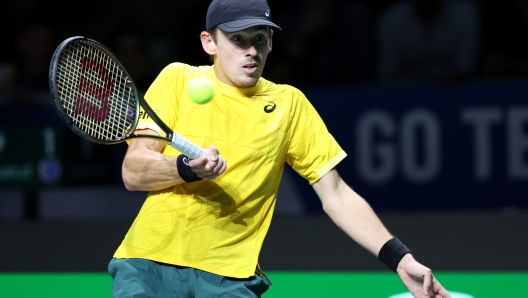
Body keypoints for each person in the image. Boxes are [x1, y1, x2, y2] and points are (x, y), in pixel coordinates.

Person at [108, 0, 452, 297]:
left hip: (230, 277)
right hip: (149, 262)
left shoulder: (289, 105)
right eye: (237, 39)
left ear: (271, 42)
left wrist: (401, 259)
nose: (250, 51)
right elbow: (134, 170)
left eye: (259, 39)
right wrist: (184, 169)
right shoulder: (177, 79)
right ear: (208, 42)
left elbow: (337, 196)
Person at [377, 0, 480, 84]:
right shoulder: (391, 20)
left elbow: (466, 70)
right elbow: (388, 74)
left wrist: (428, 82)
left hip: (457, 92)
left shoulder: (465, 14)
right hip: (407, 95)